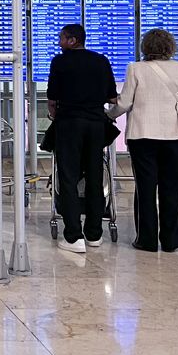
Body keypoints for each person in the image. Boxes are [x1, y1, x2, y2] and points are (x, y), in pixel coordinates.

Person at [108, 28, 178, 253]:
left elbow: (125, 102)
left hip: (143, 135)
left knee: (145, 188)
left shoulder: (135, 68)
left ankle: (146, 240)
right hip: (175, 135)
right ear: (170, 46)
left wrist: (107, 116)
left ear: (144, 46)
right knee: (173, 188)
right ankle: (172, 240)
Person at [46, 23, 117, 253]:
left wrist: (56, 115)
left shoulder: (60, 62)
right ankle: (95, 234)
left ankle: (73, 236)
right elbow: (112, 97)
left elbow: (52, 99)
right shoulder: (101, 61)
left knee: (68, 178)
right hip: (96, 125)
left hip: (69, 125)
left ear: (73, 40)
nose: (60, 42)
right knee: (95, 176)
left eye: (62, 38)